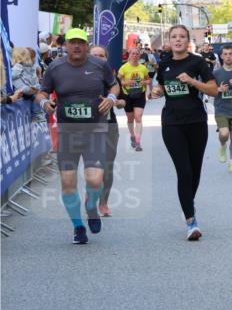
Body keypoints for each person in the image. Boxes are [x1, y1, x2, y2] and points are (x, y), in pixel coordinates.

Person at [37, 28, 119, 243]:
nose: (76, 46)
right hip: (67, 132)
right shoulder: (55, 68)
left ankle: (91, 208)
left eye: (80, 43)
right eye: (72, 42)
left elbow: (114, 84)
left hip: (95, 130)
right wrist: (45, 102)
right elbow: (42, 92)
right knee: (68, 181)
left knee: (94, 179)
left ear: (86, 46)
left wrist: (111, 96)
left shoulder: (99, 65)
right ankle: (78, 227)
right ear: (65, 46)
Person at [150, 25, 218, 240]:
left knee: (195, 172)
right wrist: (157, 91)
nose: (177, 40)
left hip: (196, 121)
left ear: (188, 40)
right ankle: (191, 221)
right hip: (172, 124)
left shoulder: (197, 62)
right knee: (184, 172)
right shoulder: (165, 64)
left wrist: (192, 81)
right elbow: (161, 87)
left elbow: (213, 89)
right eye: (174, 37)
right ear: (169, 41)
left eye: (181, 37)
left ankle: (187, 203)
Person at [89, 45, 125, 217]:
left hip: (109, 125)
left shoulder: (112, 79)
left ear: (106, 58)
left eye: (101, 55)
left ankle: (103, 202)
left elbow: (123, 102)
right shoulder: (79, 77)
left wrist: (115, 102)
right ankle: (90, 202)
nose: (98, 58)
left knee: (107, 167)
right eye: (94, 55)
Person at [213, 45, 232, 173]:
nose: (228, 56)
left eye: (230, 53)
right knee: (224, 133)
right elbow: (209, 90)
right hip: (221, 109)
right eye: (225, 54)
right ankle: (223, 146)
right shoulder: (216, 73)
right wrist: (219, 89)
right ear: (221, 56)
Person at [118, 47, 150, 151]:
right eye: (133, 54)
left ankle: (138, 141)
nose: (135, 55)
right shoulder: (124, 68)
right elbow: (119, 81)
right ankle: (132, 135)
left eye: (137, 54)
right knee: (130, 118)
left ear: (139, 56)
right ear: (129, 55)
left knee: (138, 117)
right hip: (128, 95)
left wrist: (144, 83)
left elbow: (148, 80)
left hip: (140, 94)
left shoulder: (143, 68)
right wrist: (126, 83)